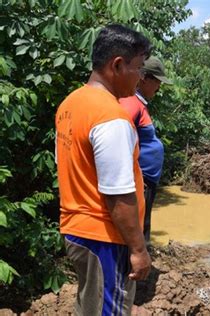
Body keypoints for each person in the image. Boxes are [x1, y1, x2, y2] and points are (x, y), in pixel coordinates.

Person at [55, 24, 152, 315]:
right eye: (138, 68)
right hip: (106, 240)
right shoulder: (112, 118)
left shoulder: (69, 105)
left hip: (76, 230)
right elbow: (119, 195)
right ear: (118, 65)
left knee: (89, 307)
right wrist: (138, 249)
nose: (141, 77)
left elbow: (66, 167)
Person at [119, 56, 170, 245]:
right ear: (143, 78)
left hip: (145, 179)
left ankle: (139, 265)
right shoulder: (131, 103)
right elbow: (120, 136)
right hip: (140, 180)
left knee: (143, 223)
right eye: (157, 81)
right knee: (138, 226)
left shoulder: (138, 104)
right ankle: (136, 268)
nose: (159, 87)